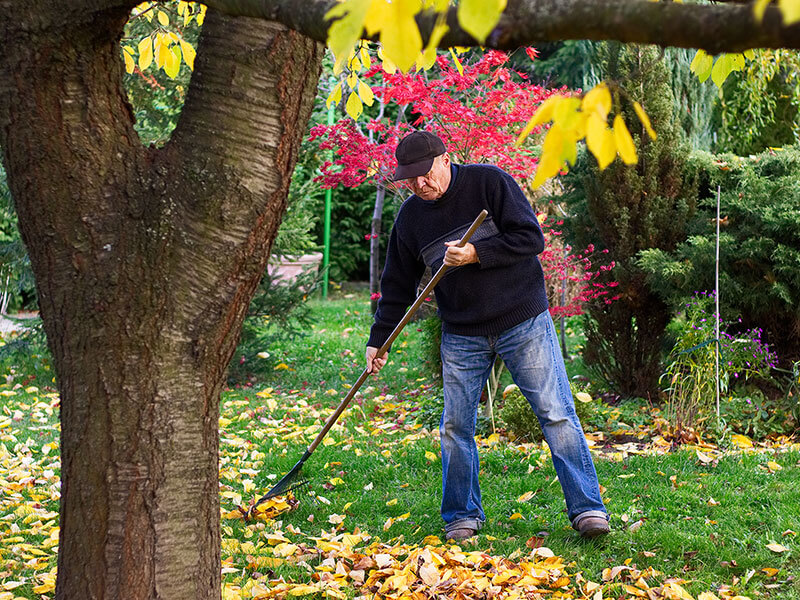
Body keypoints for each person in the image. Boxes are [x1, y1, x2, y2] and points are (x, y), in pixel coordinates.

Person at [365, 130, 609, 541]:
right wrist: (379, 338)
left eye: (425, 174)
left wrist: (476, 253)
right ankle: (461, 515)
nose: (419, 185)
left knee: (556, 414)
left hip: (522, 321)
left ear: (445, 159)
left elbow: (531, 238)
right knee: (456, 426)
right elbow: (396, 287)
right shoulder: (410, 219)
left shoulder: (489, 182)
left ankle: (587, 509)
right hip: (463, 333)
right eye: (410, 179)